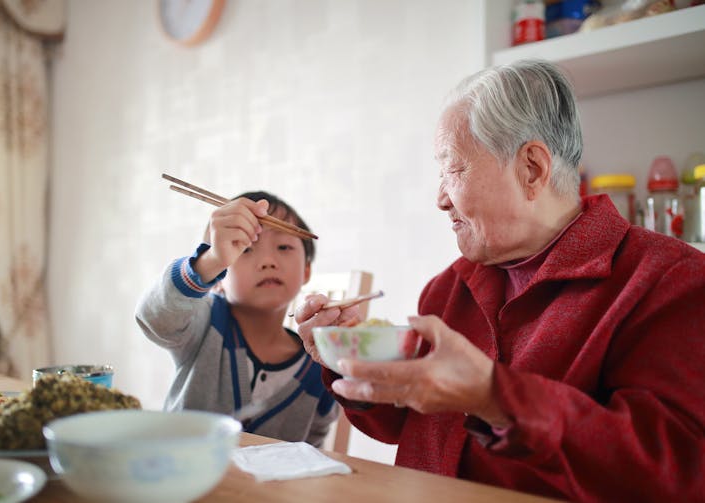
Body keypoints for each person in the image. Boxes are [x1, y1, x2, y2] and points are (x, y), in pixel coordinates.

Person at [295, 59, 705, 501]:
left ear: (531, 169)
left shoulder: (667, 279)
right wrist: (349, 359)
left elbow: (674, 472)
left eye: (452, 169)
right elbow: (407, 426)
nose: (439, 199)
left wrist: (495, 396)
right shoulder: (448, 288)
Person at [136, 191, 337, 447]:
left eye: (284, 247)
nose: (268, 261)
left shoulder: (318, 364)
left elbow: (313, 452)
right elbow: (155, 318)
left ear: (307, 270)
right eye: (246, 249)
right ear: (219, 278)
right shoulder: (204, 321)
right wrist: (210, 262)